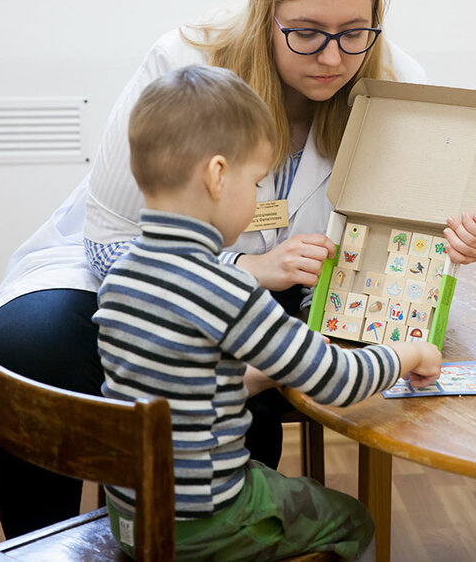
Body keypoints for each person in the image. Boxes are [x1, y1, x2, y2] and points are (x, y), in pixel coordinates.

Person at [0, 0, 476, 538]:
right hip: (132, 272)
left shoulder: (392, 81)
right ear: (264, 10)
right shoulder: (182, 63)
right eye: (306, 32)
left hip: (295, 298)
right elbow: (108, 242)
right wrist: (240, 270)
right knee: (25, 347)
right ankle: (53, 541)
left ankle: (199, 529)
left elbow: (400, 238)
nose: (333, 57)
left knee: (242, 415)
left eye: (353, 32)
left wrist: (454, 243)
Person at [97, 64, 441, 560]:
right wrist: (408, 352)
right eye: (256, 182)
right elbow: (336, 382)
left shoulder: (124, 275)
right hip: (205, 522)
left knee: (266, 478)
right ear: (217, 176)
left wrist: (263, 374)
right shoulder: (225, 287)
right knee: (355, 520)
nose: (259, 196)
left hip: (130, 515)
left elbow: (178, 388)